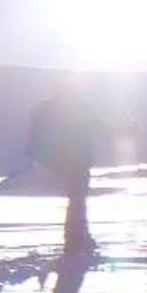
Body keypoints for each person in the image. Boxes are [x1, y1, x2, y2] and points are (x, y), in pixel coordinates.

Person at [26, 89, 106, 257]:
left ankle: (76, 237)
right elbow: (100, 129)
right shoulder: (77, 109)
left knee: (76, 199)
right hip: (76, 162)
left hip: (61, 162)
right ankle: (77, 238)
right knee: (78, 199)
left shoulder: (50, 110)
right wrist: (127, 130)